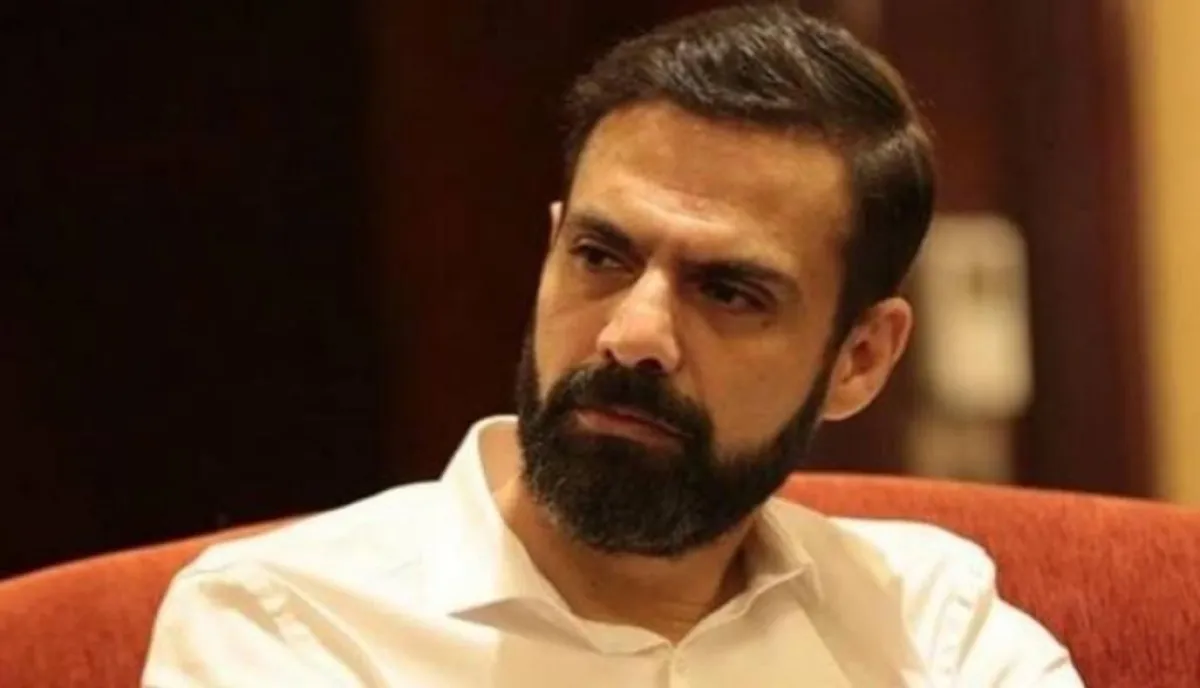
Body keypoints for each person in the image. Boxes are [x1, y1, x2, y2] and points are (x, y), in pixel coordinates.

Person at [142, 4, 1083, 686]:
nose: (633, 335)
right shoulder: (289, 627)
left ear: (861, 359)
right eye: (600, 256)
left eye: (729, 291)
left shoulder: (931, 627)